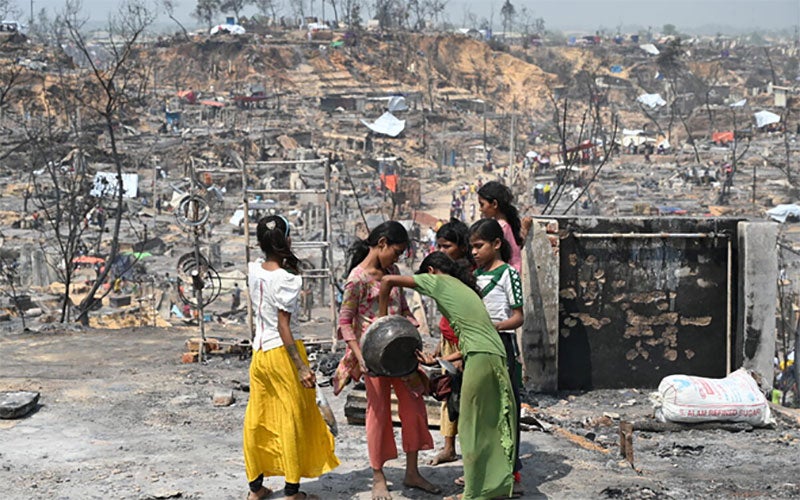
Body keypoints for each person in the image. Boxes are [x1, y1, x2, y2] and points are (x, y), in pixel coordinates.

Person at [378, 252, 516, 500]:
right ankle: (494, 487)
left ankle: (473, 493)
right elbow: (474, 339)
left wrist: (381, 321)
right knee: (490, 423)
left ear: (430, 270)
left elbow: (388, 282)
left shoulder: (437, 280)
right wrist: (439, 360)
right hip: (493, 354)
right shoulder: (463, 287)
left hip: (481, 356)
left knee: (470, 426)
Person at [332, 221, 439, 500]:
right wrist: (359, 357)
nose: (398, 258)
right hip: (372, 358)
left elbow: (403, 309)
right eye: (396, 251)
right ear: (381, 243)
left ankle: (412, 472)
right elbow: (345, 322)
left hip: (401, 353)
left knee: (414, 407)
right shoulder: (357, 279)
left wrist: (417, 339)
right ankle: (378, 476)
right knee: (378, 415)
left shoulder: (392, 272)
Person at [243, 215, 339, 500]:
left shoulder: (253, 270)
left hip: (259, 353)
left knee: (258, 417)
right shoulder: (286, 279)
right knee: (292, 418)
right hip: (283, 353)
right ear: (285, 239)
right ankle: (293, 491)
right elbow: (284, 326)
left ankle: (255, 486)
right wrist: (300, 366)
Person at [469, 218, 525, 490]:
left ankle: (511, 472)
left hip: (502, 343)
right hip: (479, 345)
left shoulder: (508, 274)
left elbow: (518, 317)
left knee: (508, 408)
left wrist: (495, 326)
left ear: (497, 244)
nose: (474, 252)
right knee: (483, 410)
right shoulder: (475, 275)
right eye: (472, 247)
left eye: (479, 246)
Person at [429, 219, 474, 466]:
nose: (442, 251)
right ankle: (448, 448)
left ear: (461, 246)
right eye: (439, 246)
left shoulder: (467, 274)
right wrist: (440, 341)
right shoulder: (446, 273)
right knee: (448, 393)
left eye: (447, 246)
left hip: (463, 342)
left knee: (464, 396)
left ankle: (468, 451)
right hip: (448, 340)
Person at [477, 181, 524, 272]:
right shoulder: (508, 224)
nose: (480, 209)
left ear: (494, 204)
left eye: (482, 204)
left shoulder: (500, 228)